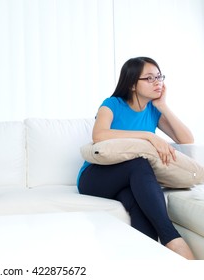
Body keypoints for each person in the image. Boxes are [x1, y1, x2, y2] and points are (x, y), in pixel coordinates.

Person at [77, 57, 195, 260]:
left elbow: (187, 140)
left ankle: (142, 265)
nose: (157, 82)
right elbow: (99, 135)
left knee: (139, 205)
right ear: (132, 84)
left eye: (159, 77)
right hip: (96, 178)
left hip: (130, 181)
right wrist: (149, 136)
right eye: (149, 78)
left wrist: (163, 106)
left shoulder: (153, 110)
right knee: (139, 163)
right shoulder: (112, 104)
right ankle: (172, 239)